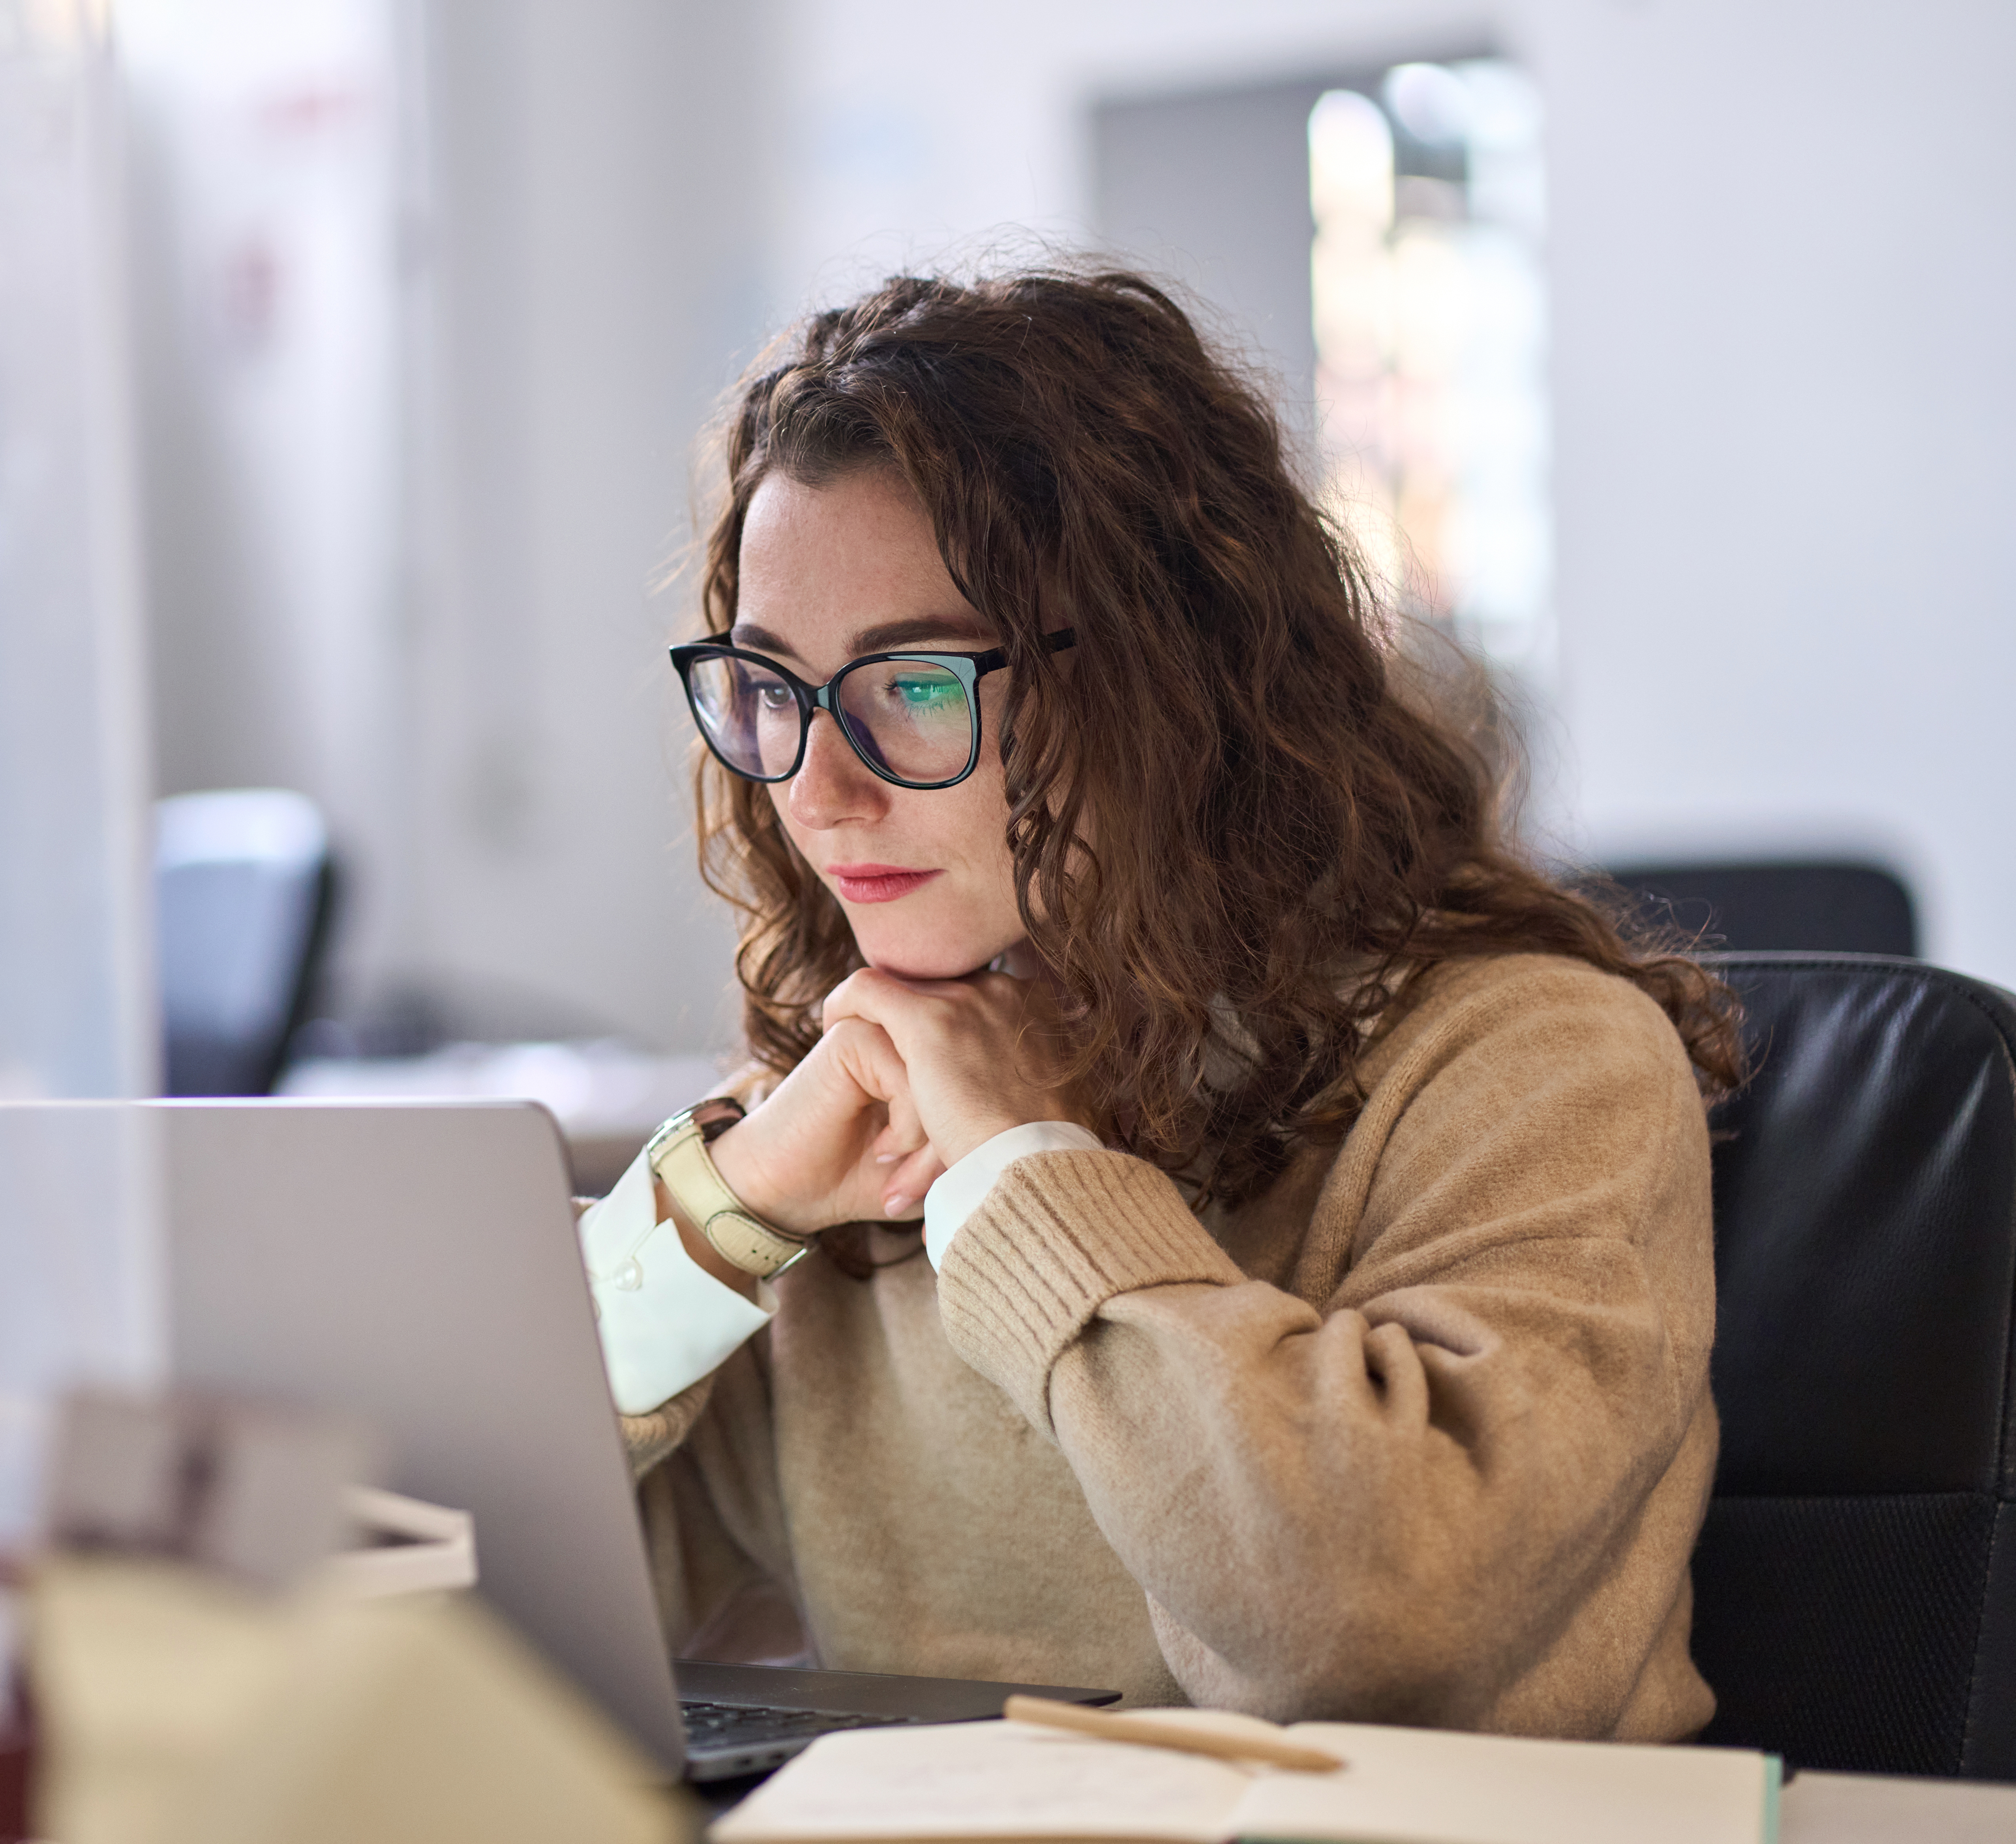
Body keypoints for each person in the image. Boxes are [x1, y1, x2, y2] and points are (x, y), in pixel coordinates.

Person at [571, 264, 1741, 1743]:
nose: (820, 786)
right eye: (772, 690)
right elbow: (458, 1560)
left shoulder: (1534, 1066)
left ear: (1167, 680)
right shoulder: (854, 1102)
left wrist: (1021, 1173)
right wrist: (726, 1207)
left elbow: (1364, 1635)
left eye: (917, 684)